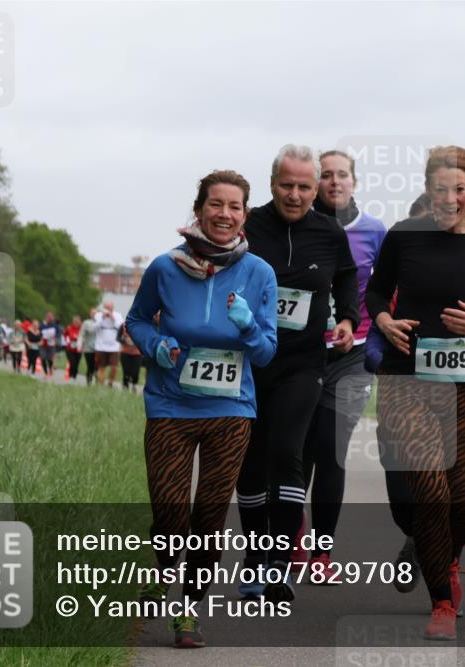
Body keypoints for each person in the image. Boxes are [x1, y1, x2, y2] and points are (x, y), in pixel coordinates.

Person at [366, 145, 465, 641]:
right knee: (429, 492)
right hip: (406, 382)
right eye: (441, 188)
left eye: (460, 189)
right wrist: (384, 319)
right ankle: (441, 599)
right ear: (428, 188)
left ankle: (443, 559)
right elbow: (375, 292)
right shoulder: (403, 237)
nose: (451, 197)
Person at [126, 169, 278, 648]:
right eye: (217, 205)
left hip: (231, 411)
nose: (225, 215)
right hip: (170, 405)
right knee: (171, 512)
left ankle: (188, 612)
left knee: (209, 516)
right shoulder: (164, 267)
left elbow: (267, 352)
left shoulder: (260, 273)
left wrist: (249, 326)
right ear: (199, 209)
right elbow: (136, 320)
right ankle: (164, 567)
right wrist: (158, 347)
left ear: (245, 215)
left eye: (235, 207)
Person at [235, 145, 358, 604]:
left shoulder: (328, 232)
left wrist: (346, 318)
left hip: (303, 363)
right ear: (271, 184)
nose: (295, 194)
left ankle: (279, 565)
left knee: (287, 452)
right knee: (250, 462)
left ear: (316, 188)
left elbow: (347, 277)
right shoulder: (251, 226)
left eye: (305, 186)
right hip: (248, 363)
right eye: (287, 185)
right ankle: (254, 557)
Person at [300, 149, 387, 582]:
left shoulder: (374, 231)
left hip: (352, 355)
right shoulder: (299, 226)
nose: (334, 182)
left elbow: (388, 291)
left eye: (342, 175)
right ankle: (292, 537)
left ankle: (322, 553)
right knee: (299, 450)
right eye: (326, 176)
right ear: (316, 183)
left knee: (331, 449)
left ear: (355, 181)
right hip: (302, 352)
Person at [95, 302, 124, 386]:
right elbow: (95, 326)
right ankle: (100, 383)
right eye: (106, 308)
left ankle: (110, 382)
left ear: (112, 308)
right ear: (104, 308)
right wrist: (103, 318)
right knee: (101, 366)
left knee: (114, 367)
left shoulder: (117, 315)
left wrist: (112, 317)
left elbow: (120, 327)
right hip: (101, 345)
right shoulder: (98, 315)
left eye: (110, 308)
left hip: (114, 346)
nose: (108, 310)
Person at [118, 322, 143, 392]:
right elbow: (118, 337)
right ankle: (125, 386)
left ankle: (134, 385)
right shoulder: (123, 325)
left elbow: (144, 338)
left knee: (136, 371)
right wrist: (125, 340)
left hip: (137, 353)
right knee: (126, 371)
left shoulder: (141, 325)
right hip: (125, 352)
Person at [80, 308, 99, 385]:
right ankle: (89, 382)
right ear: (90, 314)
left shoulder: (102, 322)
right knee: (90, 366)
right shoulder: (86, 323)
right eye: (92, 313)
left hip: (99, 348)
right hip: (88, 348)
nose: (94, 315)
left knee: (97, 367)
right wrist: (79, 345)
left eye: (95, 313)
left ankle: (98, 382)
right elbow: (81, 335)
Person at [64, 316, 83, 382]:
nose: (76, 322)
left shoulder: (82, 328)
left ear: (80, 321)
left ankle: (74, 376)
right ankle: (71, 376)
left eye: (78, 321)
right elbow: (65, 335)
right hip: (70, 349)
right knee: (72, 363)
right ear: (73, 321)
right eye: (75, 321)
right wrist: (68, 340)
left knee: (76, 364)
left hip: (79, 349)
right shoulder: (69, 327)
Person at [40, 312, 59, 377]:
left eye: (51, 317)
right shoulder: (42, 325)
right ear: (46, 318)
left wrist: (56, 339)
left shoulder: (55, 325)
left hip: (51, 344)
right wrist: (40, 339)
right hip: (43, 344)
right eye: (49, 317)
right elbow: (39, 333)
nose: (51, 319)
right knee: (43, 358)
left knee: (50, 359)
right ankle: (45, 372)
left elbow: (58, 333)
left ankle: (50, 369)